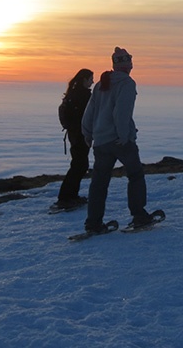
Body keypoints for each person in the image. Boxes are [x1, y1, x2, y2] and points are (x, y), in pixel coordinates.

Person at [81, 47, 152, 234]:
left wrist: (88, 134)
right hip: (119, 141)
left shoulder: (101, 84)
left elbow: (89, 113)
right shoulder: (127, 83)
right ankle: (139, 216)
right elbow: (121, 112)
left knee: (99, 182)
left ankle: (93, 223)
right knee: (135, 175)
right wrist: (124, 136)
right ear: (128, 64)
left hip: (101, 141)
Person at [55, 68, 94, 209]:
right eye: (90, 79)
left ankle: (71, 196)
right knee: (79, 165)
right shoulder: (82, 95)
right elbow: (85, 116)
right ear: (84, 79)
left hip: (75, 135)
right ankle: (65, 197)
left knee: (79, 165)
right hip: (80, 135)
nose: (92, 82)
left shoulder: (73, 93)